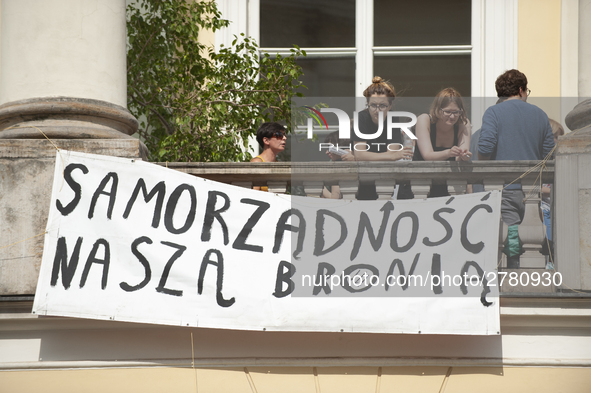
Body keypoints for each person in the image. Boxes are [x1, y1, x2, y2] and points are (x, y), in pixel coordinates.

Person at [478, 69, 555, 268]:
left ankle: (512, 287)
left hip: (505, 189)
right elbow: (549, 155)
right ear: (521, 90)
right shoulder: (540, 114)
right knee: (532, 244)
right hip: (532, 192)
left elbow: (484, 148)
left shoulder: (493, 112)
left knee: (511, 246)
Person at [352, 76, 413, 200]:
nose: (377, 110)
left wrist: (373, 156)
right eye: (373, 105)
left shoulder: (393, 119)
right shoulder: (361, 118)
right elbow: (360, 155)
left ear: (390, 106)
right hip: (363, 178)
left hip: (386, 177)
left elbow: (394, 153)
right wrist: (390, 156)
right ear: (367, 105)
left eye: (382, 106)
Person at [413, 87, 472, 197]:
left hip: (448, 187)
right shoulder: (424, 120)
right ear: (438, 110)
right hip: (419, 185)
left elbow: (460, 157)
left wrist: (465, 156)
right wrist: (449, 153)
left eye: (456, 112)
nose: (452, 116)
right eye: (448, 112)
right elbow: (427, 155)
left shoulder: (463, 124)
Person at [540, 119, 564, 269]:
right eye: (555, 137)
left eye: (559, 137)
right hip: (543, 207)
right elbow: (536, 186)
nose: (557, 141)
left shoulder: (559, 159)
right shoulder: (540, 159)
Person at [322, 131, 354, 199]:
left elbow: (335, 198)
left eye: (330, 148)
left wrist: (320, 187)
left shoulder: (339, 167)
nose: (327, 152)